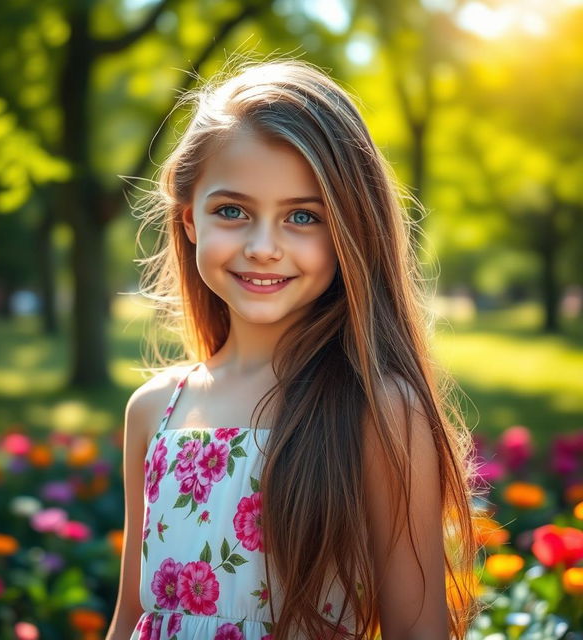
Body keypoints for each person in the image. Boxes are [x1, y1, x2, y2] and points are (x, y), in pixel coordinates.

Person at [105, 56, 485, 640]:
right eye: (232, 211)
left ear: (349, 231)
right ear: (188, 221)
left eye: (302, 217)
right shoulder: (154, 410)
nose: (263, 247)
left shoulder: (378, 411)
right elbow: (132, 617)